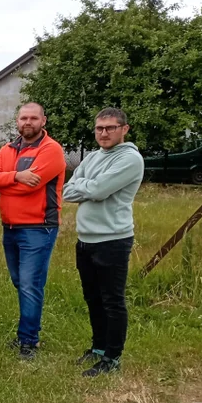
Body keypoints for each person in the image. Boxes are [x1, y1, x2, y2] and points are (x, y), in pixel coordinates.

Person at [62, 108, 144, 377]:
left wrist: (89, 186)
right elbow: (67, 190)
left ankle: (112, 357)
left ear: (124, 129)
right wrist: (91, 186)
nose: (104, 133)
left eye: (110, 128)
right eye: (99, 128)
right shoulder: (95, 156)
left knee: (112, 300)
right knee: (93, 298)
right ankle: (98, 348)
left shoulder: (130, 159)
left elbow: (97, 190)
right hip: (85, 239)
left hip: (113, 239)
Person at [0, 102, 66, 360]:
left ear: (44, 121)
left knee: (30, 284)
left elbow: (32, 186)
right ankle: (28, 333)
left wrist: (7, 180)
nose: (27, 122)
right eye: (23, 118)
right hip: (10, 227)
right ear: (17, 121)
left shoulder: (51, 150)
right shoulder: (7, 149)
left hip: (38, 228)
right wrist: (17, 176)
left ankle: (29, 341)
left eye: (33, 118)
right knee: (21, 282)